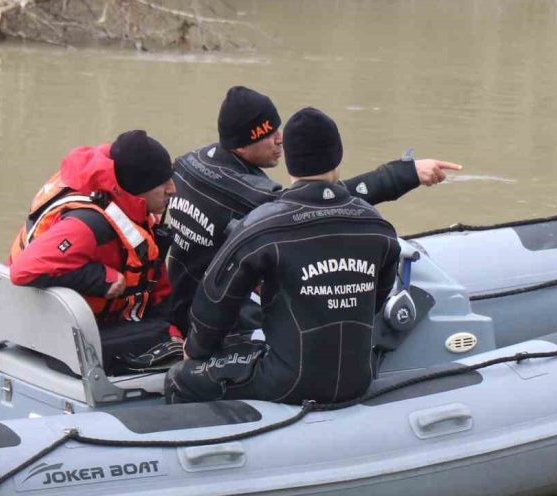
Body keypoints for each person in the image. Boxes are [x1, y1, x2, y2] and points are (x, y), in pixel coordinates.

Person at [163, 85, 461, 332]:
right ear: (241, 147)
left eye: (277, 127)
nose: (280, 139)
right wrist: (404, 173)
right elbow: (322, 200)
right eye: (268, 134)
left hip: (182, 293)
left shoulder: (190, 162)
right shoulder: (249, 193)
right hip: (203, 317)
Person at [165, 107, 401, 405]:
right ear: (338, 156)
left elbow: (215, 298)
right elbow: (376, 300)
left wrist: (196, 351)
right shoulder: (377, 225)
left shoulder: (262, 226)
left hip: (286, 382)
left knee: (179, 378)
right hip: (359, 378)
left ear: (289, 161)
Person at [8, 130, 182, 373]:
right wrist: (101, 278)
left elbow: (154, 281)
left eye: (171, 178)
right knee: (168, 341)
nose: (172, 189)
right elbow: (23, 271)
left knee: (176, 329)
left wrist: (173, 325)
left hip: (89, 320)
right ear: (137, 187)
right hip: (58, 336)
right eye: (162, 183)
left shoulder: (133, 212)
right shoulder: (88, 224)